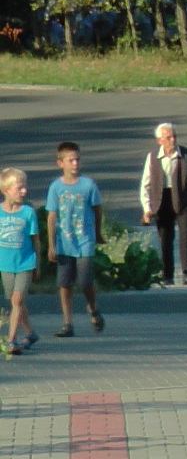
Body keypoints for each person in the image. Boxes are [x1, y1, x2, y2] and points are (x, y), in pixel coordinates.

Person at [45, 141, 105, 337]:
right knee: (64, 283)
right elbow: (52, 215)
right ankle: (67, 322)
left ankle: (93, 308)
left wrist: (98, 232)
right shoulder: (56, 187)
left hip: (85, 239)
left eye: (77, 159)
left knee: (85, 280)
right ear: (60, 163)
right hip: (65, 241)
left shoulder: (88, 185)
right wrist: (51, 244)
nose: (75, 163)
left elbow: (97, 210)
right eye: (70, 160)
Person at [139, 122, 187, 286]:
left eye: (174, 136)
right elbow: (145, 185)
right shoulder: (152, 157)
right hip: (162, 200)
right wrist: (147, 209)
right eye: (168, 137)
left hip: (184, 199)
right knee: (165, 238)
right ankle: (167, 274)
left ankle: (186, 272)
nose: (172, 139)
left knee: (186, 234)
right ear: (159, 140)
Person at [0, 168, 39, 355]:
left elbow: (35, 240)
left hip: (25, 262)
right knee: (15, 302)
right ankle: (30, 333)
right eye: (19, 188)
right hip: (5, 263)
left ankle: (11, 340)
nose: (24, 191)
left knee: (17, 300)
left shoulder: (28, 213)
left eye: (25, 188)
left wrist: (37, 264)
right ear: (6, 190)